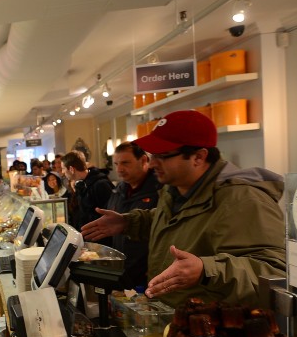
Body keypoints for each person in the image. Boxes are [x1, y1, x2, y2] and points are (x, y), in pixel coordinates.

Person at [81, 110, 286, 307]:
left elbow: (274, 272)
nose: (151, 164)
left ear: (198, 157)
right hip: (175, 319)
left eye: (162, 156)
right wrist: (129, 222)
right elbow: (176, 222)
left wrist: (205, 270)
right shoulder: (175, 189)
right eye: (152, 156)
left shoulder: (244, 199)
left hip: (213, 330)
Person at [106, 142, 161, 290]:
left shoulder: (160, 190)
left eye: (125, 163)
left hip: (148, 276)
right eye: (116, 164)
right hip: (122, 271)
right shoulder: (118, 190)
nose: (119, 169)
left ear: (143, 161)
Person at [63, 149, 113, 236]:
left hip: (100, 239)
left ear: (71, 169)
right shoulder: (79, 184)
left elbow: (110, 214)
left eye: (63, 168)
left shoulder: (100, 184)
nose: (63, 172)